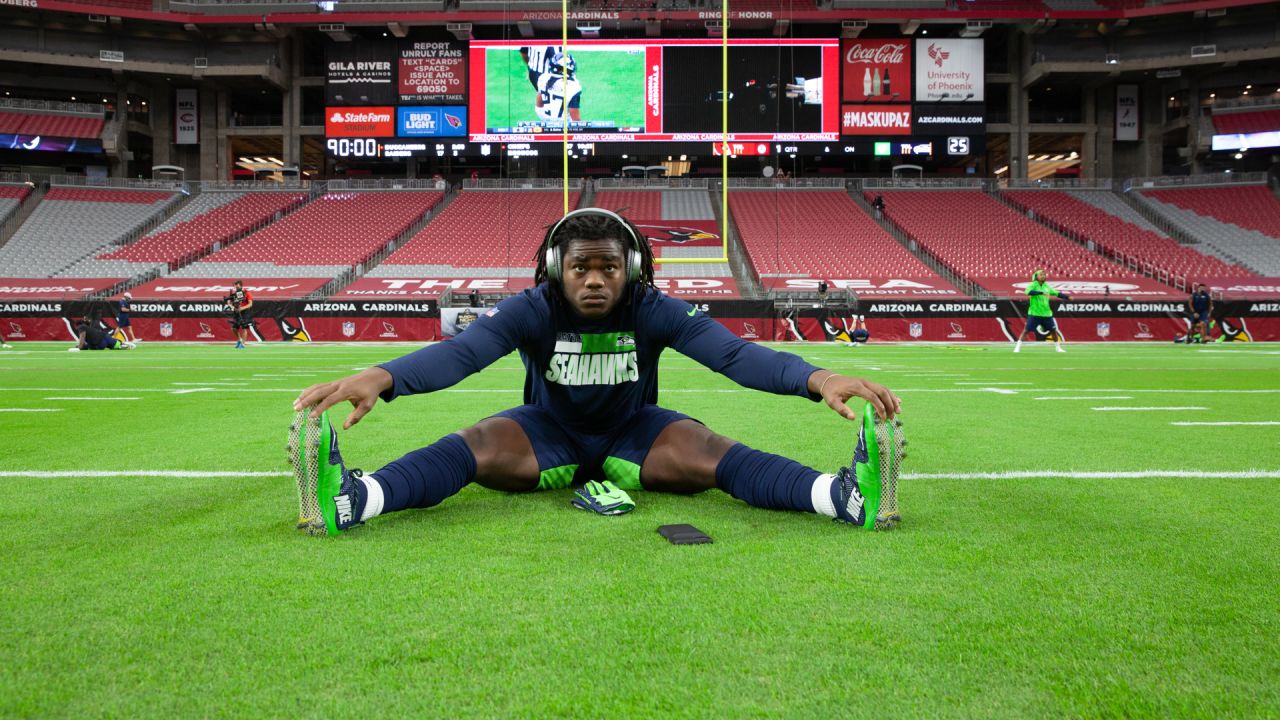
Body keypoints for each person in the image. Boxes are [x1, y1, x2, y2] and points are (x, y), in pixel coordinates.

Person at [289, 208, 904, 537]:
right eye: (581, 266)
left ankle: (842, 499)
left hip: (635, 433)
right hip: (546, 433)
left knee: (709, 448)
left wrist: (817, 377)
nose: (594, 279)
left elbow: (736, 356)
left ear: (630, 268)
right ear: (557, 267)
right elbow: (462, 354)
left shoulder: (654, 308)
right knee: (476, 442)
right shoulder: (533, 307)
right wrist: (381, 374)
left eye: (608, 267)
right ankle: (353, 502)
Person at [1014, 269, 1071, 353]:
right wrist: (1040, 292)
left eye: (1044, 274)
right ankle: (1017, 347)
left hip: (1046, 314)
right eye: (1041, 274)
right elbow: (1028, 292)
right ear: (1036, 277)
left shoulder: (1046, 286)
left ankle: (1058, 348)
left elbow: (1056, 293)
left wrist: (1067, 297)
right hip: (1034, 313)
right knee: (1026, 330)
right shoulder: (1033, 284)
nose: (1043, 276)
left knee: (1053, 331)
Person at [69, 316, 134, 351]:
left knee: (115, 346)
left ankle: (122, 345)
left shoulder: (81, 327)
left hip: (99, 345)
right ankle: (123, 345)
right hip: (103, 338)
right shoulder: (87, 327)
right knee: (116, 345)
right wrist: (79, 346)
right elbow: (84, 340)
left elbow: (83, 336)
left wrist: (79, 347)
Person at [225, 280, 254, 349]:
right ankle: (239, 340)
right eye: (234, 285)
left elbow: (250, 304)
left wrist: (242, 308)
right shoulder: (234, 293)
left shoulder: (247, 293)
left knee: (244, 327)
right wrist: (232, 307)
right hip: (236, 312)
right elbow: (229, 303)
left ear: (240, 285)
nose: (235, 286)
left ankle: (243, 344)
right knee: (234, 328)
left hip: (245, 312)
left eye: (236, 284)